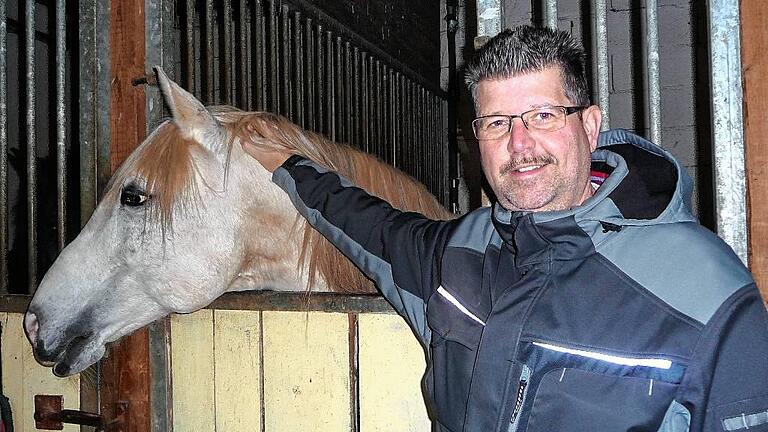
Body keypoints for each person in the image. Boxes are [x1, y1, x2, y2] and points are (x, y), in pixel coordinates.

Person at [242, 25, 768, 432]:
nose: (519, 144)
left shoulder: (708, 293)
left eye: (542, 115)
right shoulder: (458, 251)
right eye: (497, 123)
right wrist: (286, 164)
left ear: (589, 125)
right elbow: (365, 222)